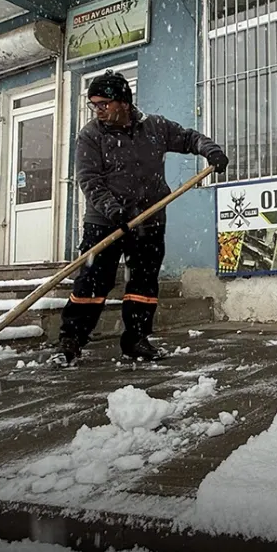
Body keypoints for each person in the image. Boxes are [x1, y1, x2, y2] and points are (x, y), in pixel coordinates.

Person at [48, 70, 229, 367]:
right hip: (105, 222)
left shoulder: (155, 127)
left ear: (123, 102)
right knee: (93, 281)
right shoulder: (91, 135)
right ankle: (71, 340)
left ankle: (136, 340)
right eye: (94, 104)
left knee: (144, 282)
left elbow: (188, 138)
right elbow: (90, 180)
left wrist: (211, 151)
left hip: (149, 219)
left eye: (104, 103)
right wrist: (114, 210)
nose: (98, 110)